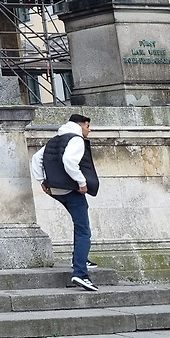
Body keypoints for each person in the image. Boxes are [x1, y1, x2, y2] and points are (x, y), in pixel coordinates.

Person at [30, 113, 100, 291]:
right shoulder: (76, 140)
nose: (89, 130)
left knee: (79, 223)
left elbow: (36, 158)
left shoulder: (56, 139)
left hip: (55, 189)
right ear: (80, 125)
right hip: (70, 189)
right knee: (83, 230)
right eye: (87, 126)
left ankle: (80, 259)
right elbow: (69, 161)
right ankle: (80, 273)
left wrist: (42, 181)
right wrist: (82, 183)